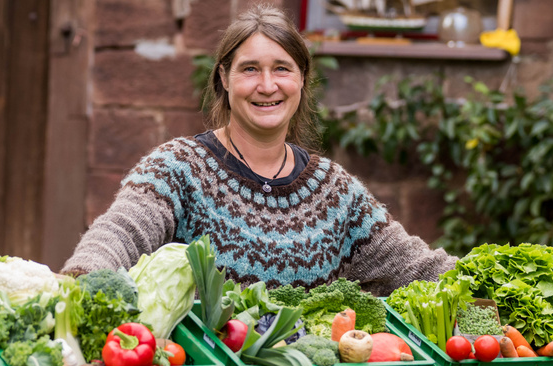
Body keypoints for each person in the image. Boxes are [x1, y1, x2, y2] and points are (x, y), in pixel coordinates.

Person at [61, 3, 456, 296]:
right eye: (250, 69)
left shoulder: (335, 192)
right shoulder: (178, 168)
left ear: (302, 79)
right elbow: (121, 230)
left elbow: (415, 266)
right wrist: (82, 277)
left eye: (282, 68)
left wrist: (498, 282)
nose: (267, 85)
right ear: (225, 78)